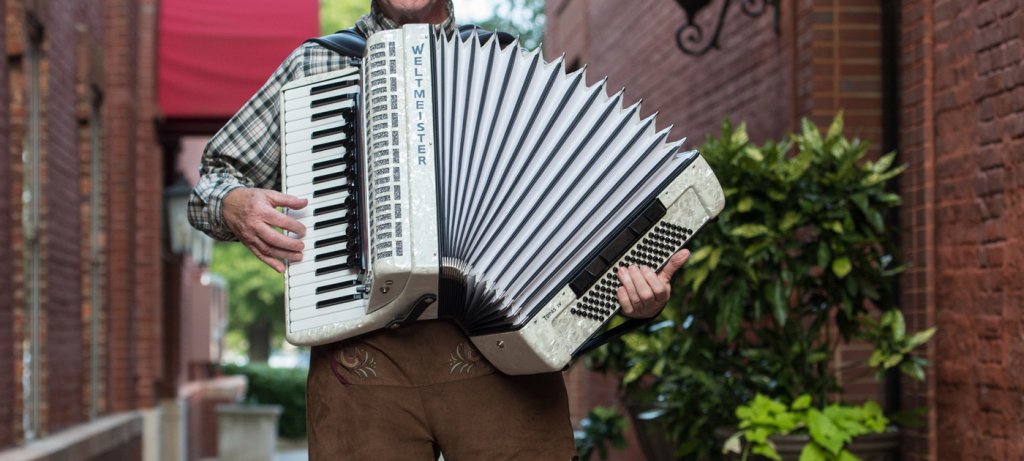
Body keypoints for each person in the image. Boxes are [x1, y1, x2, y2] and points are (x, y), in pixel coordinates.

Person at [188, 1, 690, 459]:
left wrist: (628, 294)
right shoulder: (315, 65)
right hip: (360, 370)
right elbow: (210, 183)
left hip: (503, 362)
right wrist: (232, 203)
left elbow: (575, 217)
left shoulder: (507, 63)